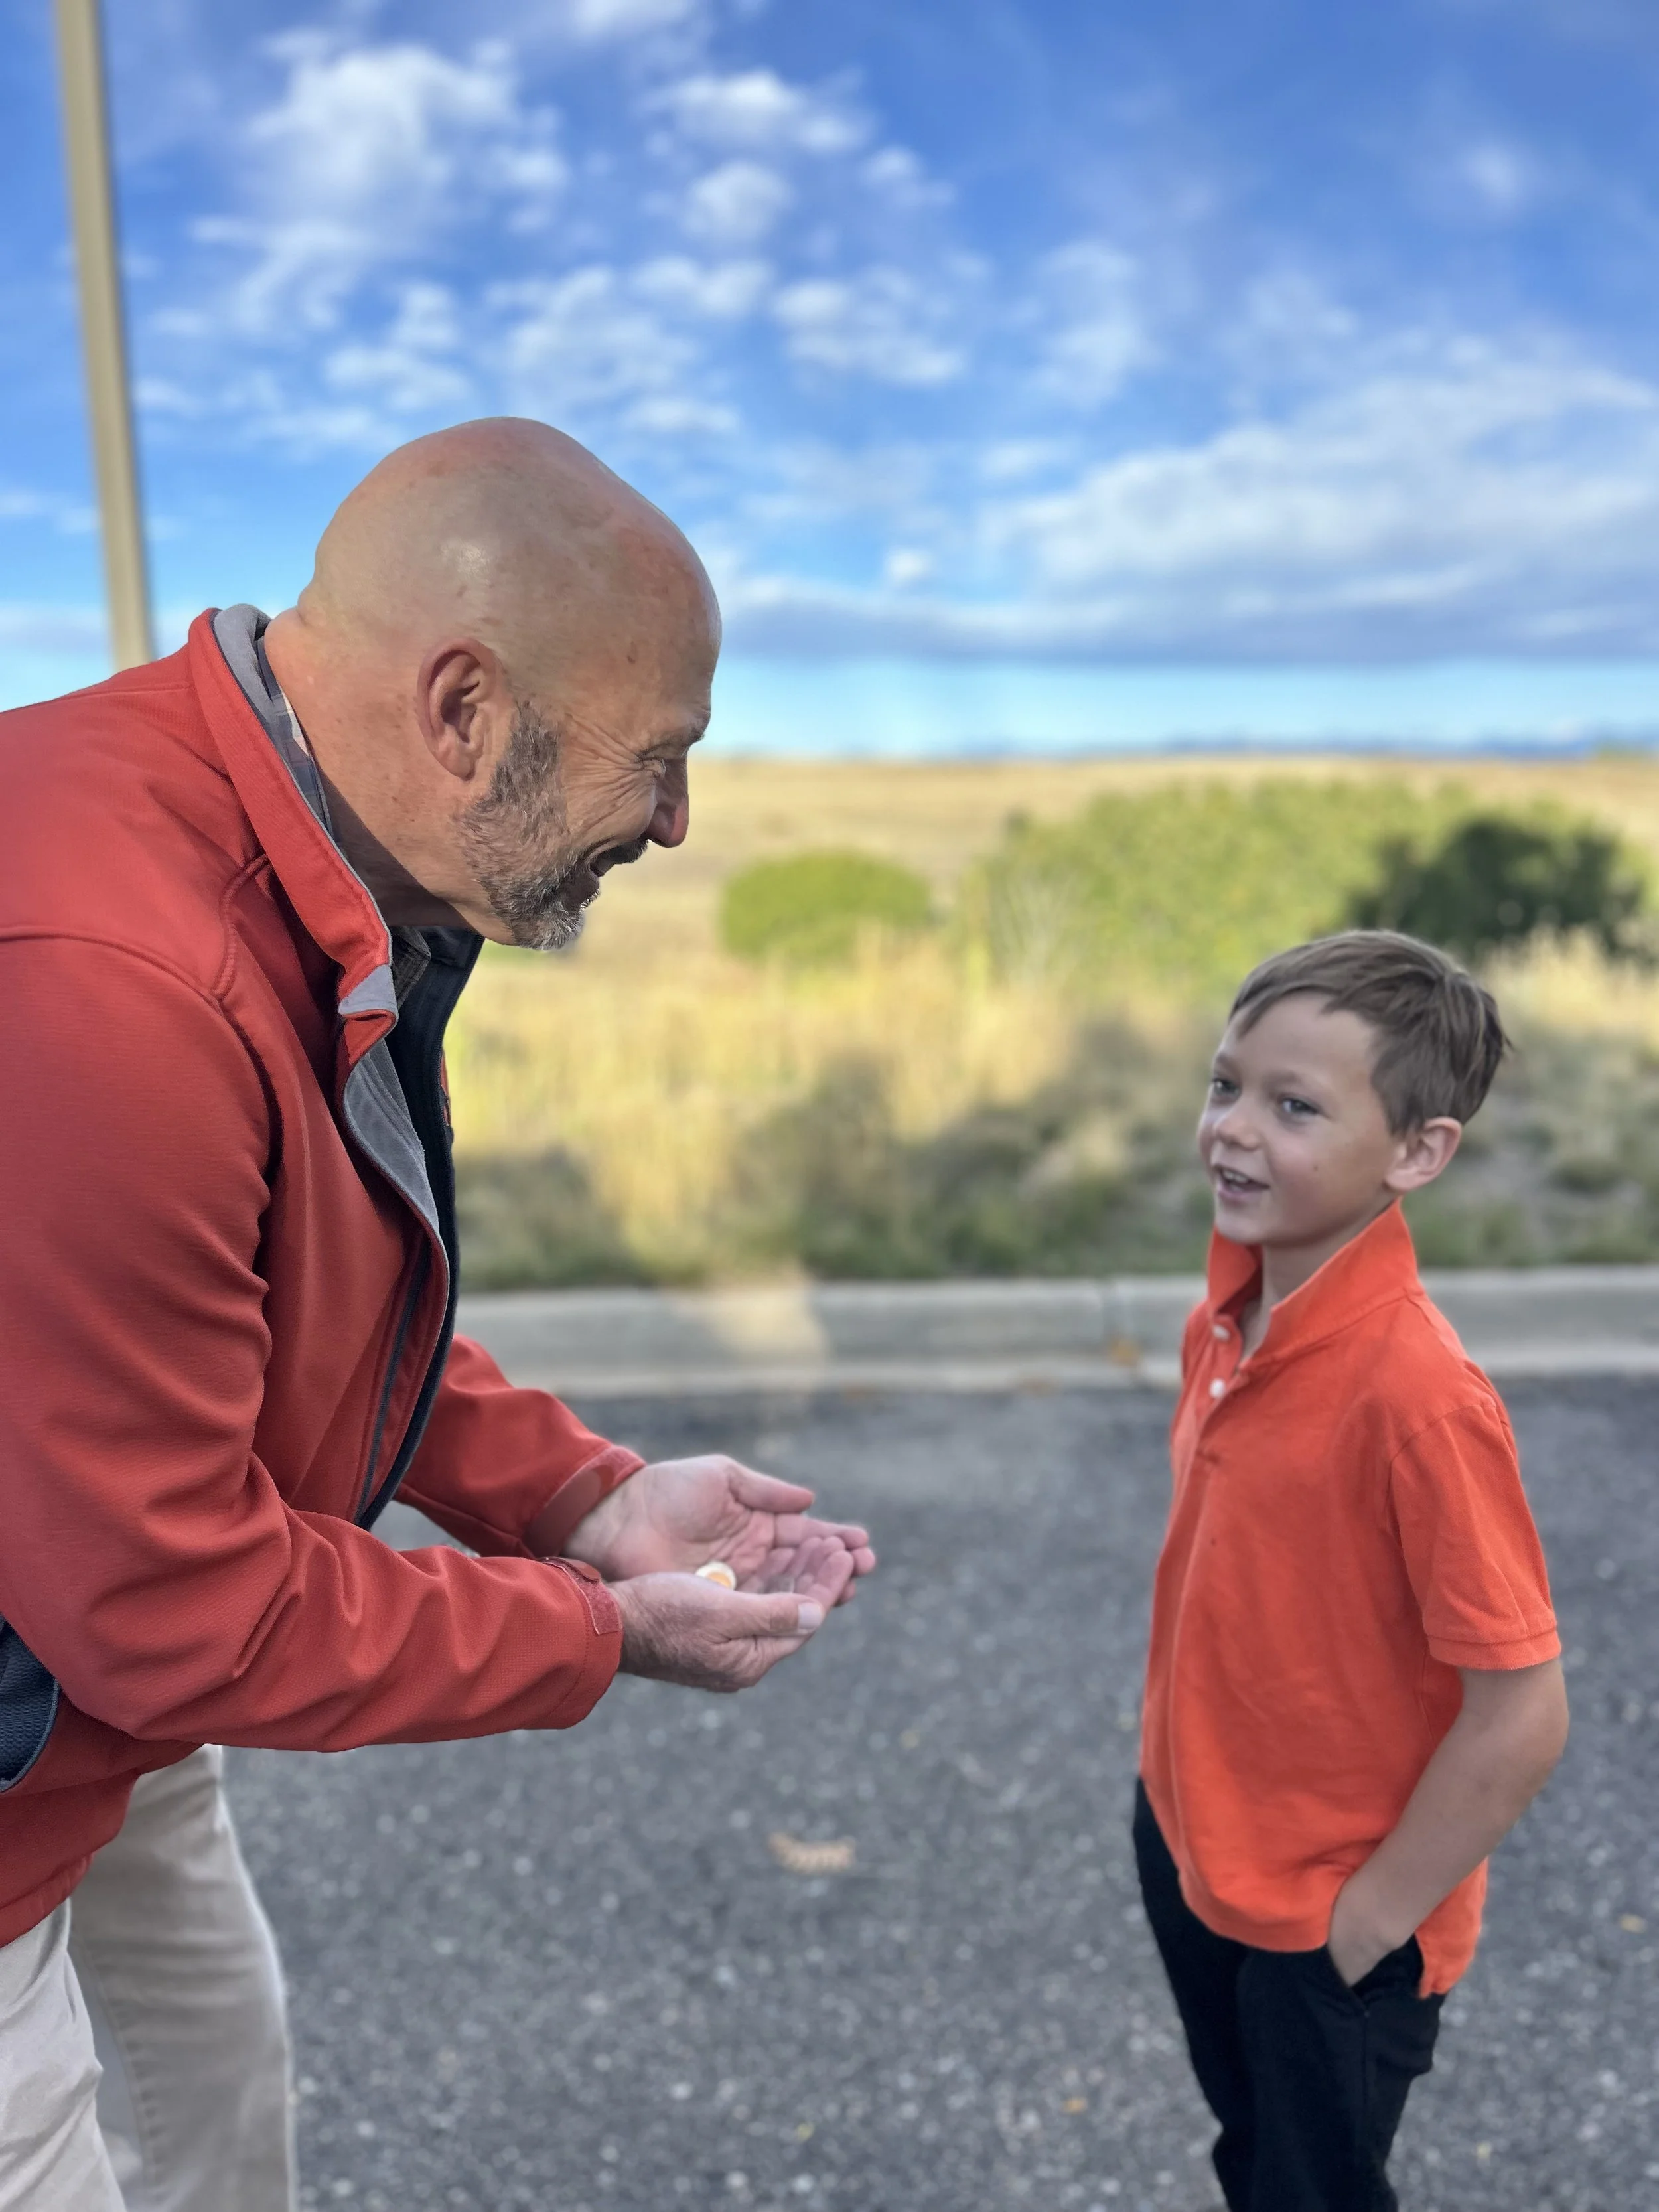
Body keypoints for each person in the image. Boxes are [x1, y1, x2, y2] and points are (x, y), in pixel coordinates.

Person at [0, 418, 875, 2212]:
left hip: (86, 1686)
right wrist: (592, 1626)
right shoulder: (112, 984)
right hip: (50, 1699)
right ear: (463, 708)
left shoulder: (295, 847)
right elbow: (179, 1607)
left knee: (217, 2120)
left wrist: (582, 1495)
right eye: (659, 758)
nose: (677, 820)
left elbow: (264, 1295)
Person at [1132, 930, 1568, 2212]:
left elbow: (1525, 1711)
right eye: (1226, 1087)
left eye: (1296, 1106)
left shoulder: (1419, 1398)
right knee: (1251, 2156)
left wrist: (1364, 1927)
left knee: (1312, 2191)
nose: (1235, 1132)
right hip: (1195, 1842)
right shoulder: (1228, 1314)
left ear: (1417, 1153)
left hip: (1332, 1924)